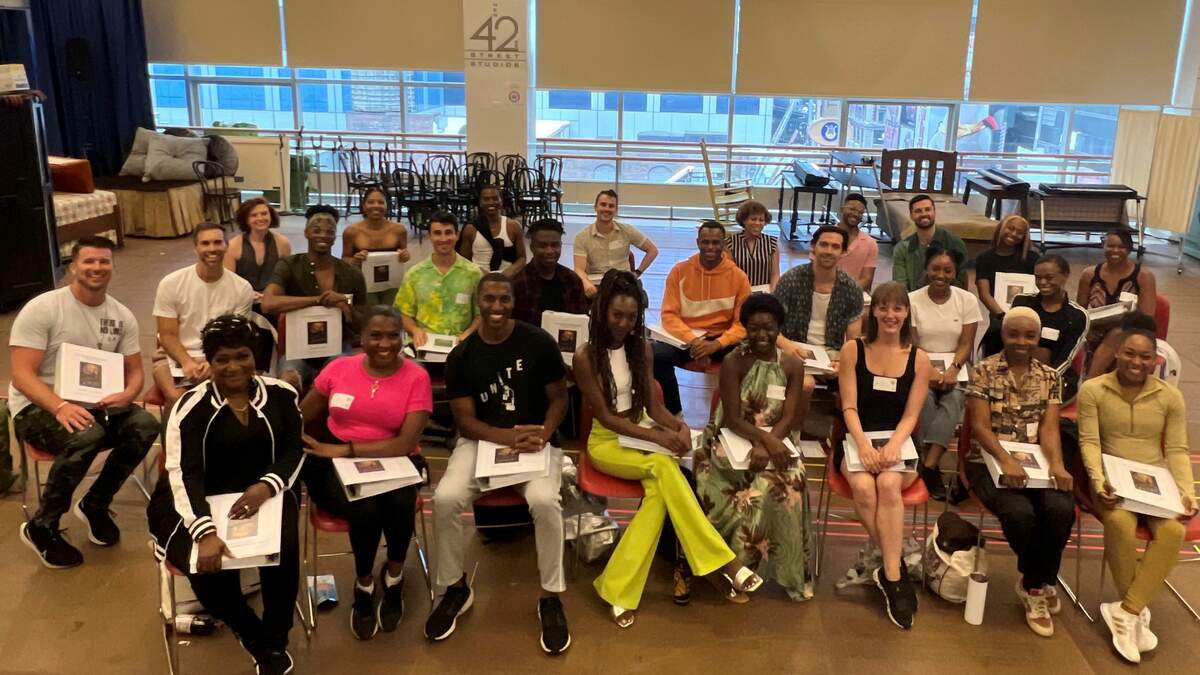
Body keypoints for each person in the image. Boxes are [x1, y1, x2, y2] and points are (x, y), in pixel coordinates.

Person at [576, 271, 764, 628]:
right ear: (601, 312)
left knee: (657, 499)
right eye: (617, 315)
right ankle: (726, 562)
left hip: (642, 434)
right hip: (607, 442)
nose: (623, 324)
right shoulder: (585, 357)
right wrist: (658, 438)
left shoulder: (642, 349)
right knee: (665, 467)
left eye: (631, 317)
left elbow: (653, 406)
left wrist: (678, 426)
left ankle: (617, 590)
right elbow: (607, 418)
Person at [146, 315, 303, 675]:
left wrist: (267, 486)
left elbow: (294, 452)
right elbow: (183, 473)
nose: (234, 367)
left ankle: (276, 639)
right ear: (209, 362)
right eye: (222, 359)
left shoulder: (282, 395)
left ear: (254, 356)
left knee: (285, 550)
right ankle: (252, 635)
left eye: (242, 356)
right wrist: (204, 531)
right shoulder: (189, 407)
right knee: (206, 568)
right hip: (196, 498)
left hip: (265, 493)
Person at [426, 273, 571, 655]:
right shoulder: (462, 356)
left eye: (503, 299)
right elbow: (465, 421)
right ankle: (455, 587)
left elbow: (559, 398)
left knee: (544, 501)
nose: (496, 306)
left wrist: (544, 432)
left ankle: (550, 596)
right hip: (483, 442)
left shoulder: (538, 342)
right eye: (489, 299)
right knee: (445, 498)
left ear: (512, 301)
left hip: (536, 441)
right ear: (478, 302)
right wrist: (506, 437)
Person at [11, 236, 159, 569]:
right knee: (87, 434)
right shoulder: (44, 308)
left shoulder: (121, 315)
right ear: (73, 267)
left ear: (113, 267)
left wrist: (128, 394)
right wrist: (60, 406)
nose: (97, 267)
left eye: (104, 261)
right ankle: (43, 525)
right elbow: (21, 375)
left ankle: (95, 503)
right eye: (89, 261)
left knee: (145, 424)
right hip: (39, 406)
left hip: (95, 405)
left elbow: (135, 372)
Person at [299, 307, 431, 640]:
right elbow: (301, 416)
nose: (384, 344)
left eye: (393, 336)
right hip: (330, 459)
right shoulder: (338, 368)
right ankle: (364, 585)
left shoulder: (417, 377)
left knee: (400, 502)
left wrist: (346, 450)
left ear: (403, 338)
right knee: (365, 507)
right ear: (361, 338)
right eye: (376, 335)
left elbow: (404, 443)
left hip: (394, 457)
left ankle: (394, 577)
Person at [1078, 325, 1196, 663]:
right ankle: (1135, 612)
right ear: (1117, 352)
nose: (1136, 362)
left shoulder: (1169, 396)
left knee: (1173, 531)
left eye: (1145, 356)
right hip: (1110, 480)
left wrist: (1186, 492)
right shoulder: (1093, 390)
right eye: (1129, 353)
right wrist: (1099, 482)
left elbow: (1176, 449)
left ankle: (1127, 611)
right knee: (1119, 523)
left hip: (1154, 483)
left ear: (1156, 360)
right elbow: (1090, 442)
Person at [964, 307, 1076, 637]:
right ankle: (1038, 585)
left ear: (1038, 338)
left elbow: (1050, 429)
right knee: (1019, 513)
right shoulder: (983, 371)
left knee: (1061, 508)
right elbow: (980, 426)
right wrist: (1005, 459)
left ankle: (1032, 580)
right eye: (1014, 334)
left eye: (1029, 336)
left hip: (1036, 465)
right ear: (1003, 335)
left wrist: (1057, 465)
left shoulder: (1050, 376)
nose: (1021, 342)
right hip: (987, 461)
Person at [696, 292, 814, 601]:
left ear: (779, 328)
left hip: (777, 437)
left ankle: (788, 571)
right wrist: (765, 441)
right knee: (753, 495)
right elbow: (732, 418)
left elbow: (789, 416)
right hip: (732, 438)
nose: (762, 335)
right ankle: (734, 570)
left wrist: (771, 442)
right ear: (745, 328)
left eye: (769, 328)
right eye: (754, 328)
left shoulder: (792, 364)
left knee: (793, 482)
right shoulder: (733, 362)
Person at [836, 281, 932, 629]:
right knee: (864, 487)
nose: (890, 315)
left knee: (888, 484)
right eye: (883, 307)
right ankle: (897, 567)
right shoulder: (853, 350)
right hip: (857, 438)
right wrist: (864, 445)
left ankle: (889, 573)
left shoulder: (920, 359)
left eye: (897, 308)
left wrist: (892, 446)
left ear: (906, 313)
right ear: (873, 311)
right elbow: (849, 406)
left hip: (900, 442)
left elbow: (911, 415)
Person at [261, 204, 368, 391]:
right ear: (306, 233)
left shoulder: (352, 273)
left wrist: (346, 306)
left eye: (329, 231)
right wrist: (318, 300)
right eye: (317, 230)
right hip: (297, 349)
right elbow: (267, 304)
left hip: (338, 347)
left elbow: (364, 325)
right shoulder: (289, 264)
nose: (323, 235)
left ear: (335, 236)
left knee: (342, 379)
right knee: (287, 382)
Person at [153, 222, 255, 410]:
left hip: (221, 357)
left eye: (217, 242)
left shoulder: (242, 288)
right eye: (205, 243)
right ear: (195, 248)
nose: (212, 248)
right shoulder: (170, 284)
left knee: (226, 399)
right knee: (177, 399)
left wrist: (211, 362)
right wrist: (187, 362)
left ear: (226, 246)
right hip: (174, 357)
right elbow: (167, 335)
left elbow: (235, 338)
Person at [654, 221, 751, 415]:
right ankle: (674, 414)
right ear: (698, 242)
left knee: (749, 357)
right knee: (656, 355)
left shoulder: (739, 277)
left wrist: (716, 345)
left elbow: (742, 324)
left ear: (724, 244)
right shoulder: (679, 271)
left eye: (716, 243)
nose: (710, 247)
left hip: (722, 340)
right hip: (687, 339)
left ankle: (728, 417)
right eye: (705, 242)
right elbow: (669, 315)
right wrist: (695, 342)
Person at [908, 247, 980, 501]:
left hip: (955, 366)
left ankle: (928, 466)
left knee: (954, 399)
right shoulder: (912, 300)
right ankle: (932, 467)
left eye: (947, 270)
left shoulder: (966, 300)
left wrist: (953, 370)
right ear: (926, 269)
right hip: (920, 365)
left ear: (955, 272)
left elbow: (966, 343)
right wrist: (929, 372)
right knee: (925, 400)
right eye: (935, 269)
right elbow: (913, 344)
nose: (941, 275)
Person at [773, 225, 864, 362]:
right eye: (823, 244)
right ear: (813, 247)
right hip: (792, 346)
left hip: (832, 354)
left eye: (835, 247)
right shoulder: (791, 279)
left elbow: (853, 338)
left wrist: (843, 362)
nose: (828, 251)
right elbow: (771, 323)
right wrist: (787, 345)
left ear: (843, 252)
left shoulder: (851, 288)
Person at [1075, 229, 1157, 378]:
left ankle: (1089, 382)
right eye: (1111, 246)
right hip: (1096, 330)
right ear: (1103, 246)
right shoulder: (1089, 274)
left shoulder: (1143, 277)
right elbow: (1079, 313)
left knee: (1117, 334)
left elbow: (1147, 319)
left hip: (1131, 331)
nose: (1115, 251)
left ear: (1129, 249)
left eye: (1121, 247)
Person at [395, 210, 483, 349]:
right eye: (437, 233)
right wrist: (415, 330)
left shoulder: (473, 274)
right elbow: (403, 313)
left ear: (457, 235)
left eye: (448, 232)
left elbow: (481, 313)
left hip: (461, 346)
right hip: (423, 346)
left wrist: (469, 333)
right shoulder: (414, 274)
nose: (443, 238)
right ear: (429, 236)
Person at [1009, 255, 1089, 403]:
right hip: (1017, 368)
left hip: (1056, 375)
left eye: (1049, 277)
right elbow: (1009, 341)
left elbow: (1066, 359)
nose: (1042, 282)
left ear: (1065, 275)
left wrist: (1040, 380)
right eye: (1038, 278)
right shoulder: (1021, 302)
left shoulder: (1077, 315)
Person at [573, 189, 659, 298]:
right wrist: (586, 283)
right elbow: (579, 269)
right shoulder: (582, 237)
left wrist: (637, 272)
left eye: (611, 206)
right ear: (595, 207)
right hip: (596, 285)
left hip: (623, 285)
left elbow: (652, 250)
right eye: (603, 205)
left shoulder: (627, 230)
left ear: (616, 210)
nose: (607, 209)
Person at [975, 215, 1039, 355]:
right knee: (995, 339)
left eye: (1020, 232)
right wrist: (1003, 316)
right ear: (1001, 228)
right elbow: (984, 294)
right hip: (998, 315)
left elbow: (1038, 289)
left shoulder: (1032, 259)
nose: (1014, 234)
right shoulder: (984, 259)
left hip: (1028, 314)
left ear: (1024, 237)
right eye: (1010, 228)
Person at [342, 187, 411, 307]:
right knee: (371, 315)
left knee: (390, 314)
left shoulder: (399, 230)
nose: (376, 206)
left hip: (391, 283)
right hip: (364, 283)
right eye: (371, 202)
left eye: (380, 202)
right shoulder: (351, 231)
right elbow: (344, 259)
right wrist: (354, 260)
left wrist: (405, 255)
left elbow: (404, 256)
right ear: (364, 206)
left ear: (386, 205)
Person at [511, 218, 589, 326]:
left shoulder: (572, 280)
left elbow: (581, 320)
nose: (549, 251)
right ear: (532, 247)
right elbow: (515, 326)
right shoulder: (519, 283)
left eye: (554, 245)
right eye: (543, 246)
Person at [891, 194, 968, 292]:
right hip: (913, 298)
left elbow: (960, 284)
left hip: (947, 297)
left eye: (927, 209)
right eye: (918, 211)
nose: (924, 214)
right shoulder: (902, 248)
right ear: (911, 216)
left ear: (934, 212)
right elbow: (900, 285)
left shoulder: (955, 243)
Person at [224, 197, 293, 294]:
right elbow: (229, 282)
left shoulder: (283, 243)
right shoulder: (232, 246)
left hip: (272, 295)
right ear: (246, 220)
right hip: (241, 295)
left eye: (264, 214)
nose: (260, 218)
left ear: (271, 216)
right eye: (254, 215)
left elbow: (285, 278)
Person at [458, 185, 526, 276]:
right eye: (486, 199)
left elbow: (522, 258)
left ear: (501, 201)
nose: (491, 202)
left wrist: (508, 273)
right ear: (480, 202)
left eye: (495, 198)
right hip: (478, 277)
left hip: (507, 278)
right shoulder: (470, 229)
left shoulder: (513, 226)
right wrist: (480, 273)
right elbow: (464, 260)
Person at [725, 199, 779, 290]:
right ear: (744, 220)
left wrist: (773, 293)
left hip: (764, 291)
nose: (757, 223)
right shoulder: (730, 243)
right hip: (740, 290)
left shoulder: (772, 243)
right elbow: (730, 275)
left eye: (761, 220)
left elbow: (775, 274)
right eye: (753, 219)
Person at [835, 193, 878, 291]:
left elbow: (866, 280)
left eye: (860, 212)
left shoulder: (870, 243)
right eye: (852, 209)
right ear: (842, 209)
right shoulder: (825, 236)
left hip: (855, 294)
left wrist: (845, 293)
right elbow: (816, 271)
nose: (855, 214)